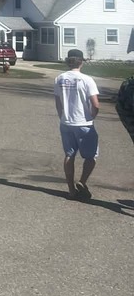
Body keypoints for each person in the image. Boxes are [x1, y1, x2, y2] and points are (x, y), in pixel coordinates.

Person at [54, 48, 100, 200]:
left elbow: (58, 102)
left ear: (68, 61)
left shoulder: (59, 78)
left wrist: (63, 117)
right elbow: (96, 104)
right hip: (83, 123)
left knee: (69, 154)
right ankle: (82, 181)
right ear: (81, 62)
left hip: (66, 122)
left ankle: (71, 190)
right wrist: (92, 116)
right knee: (91, 155)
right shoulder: (87, 80)